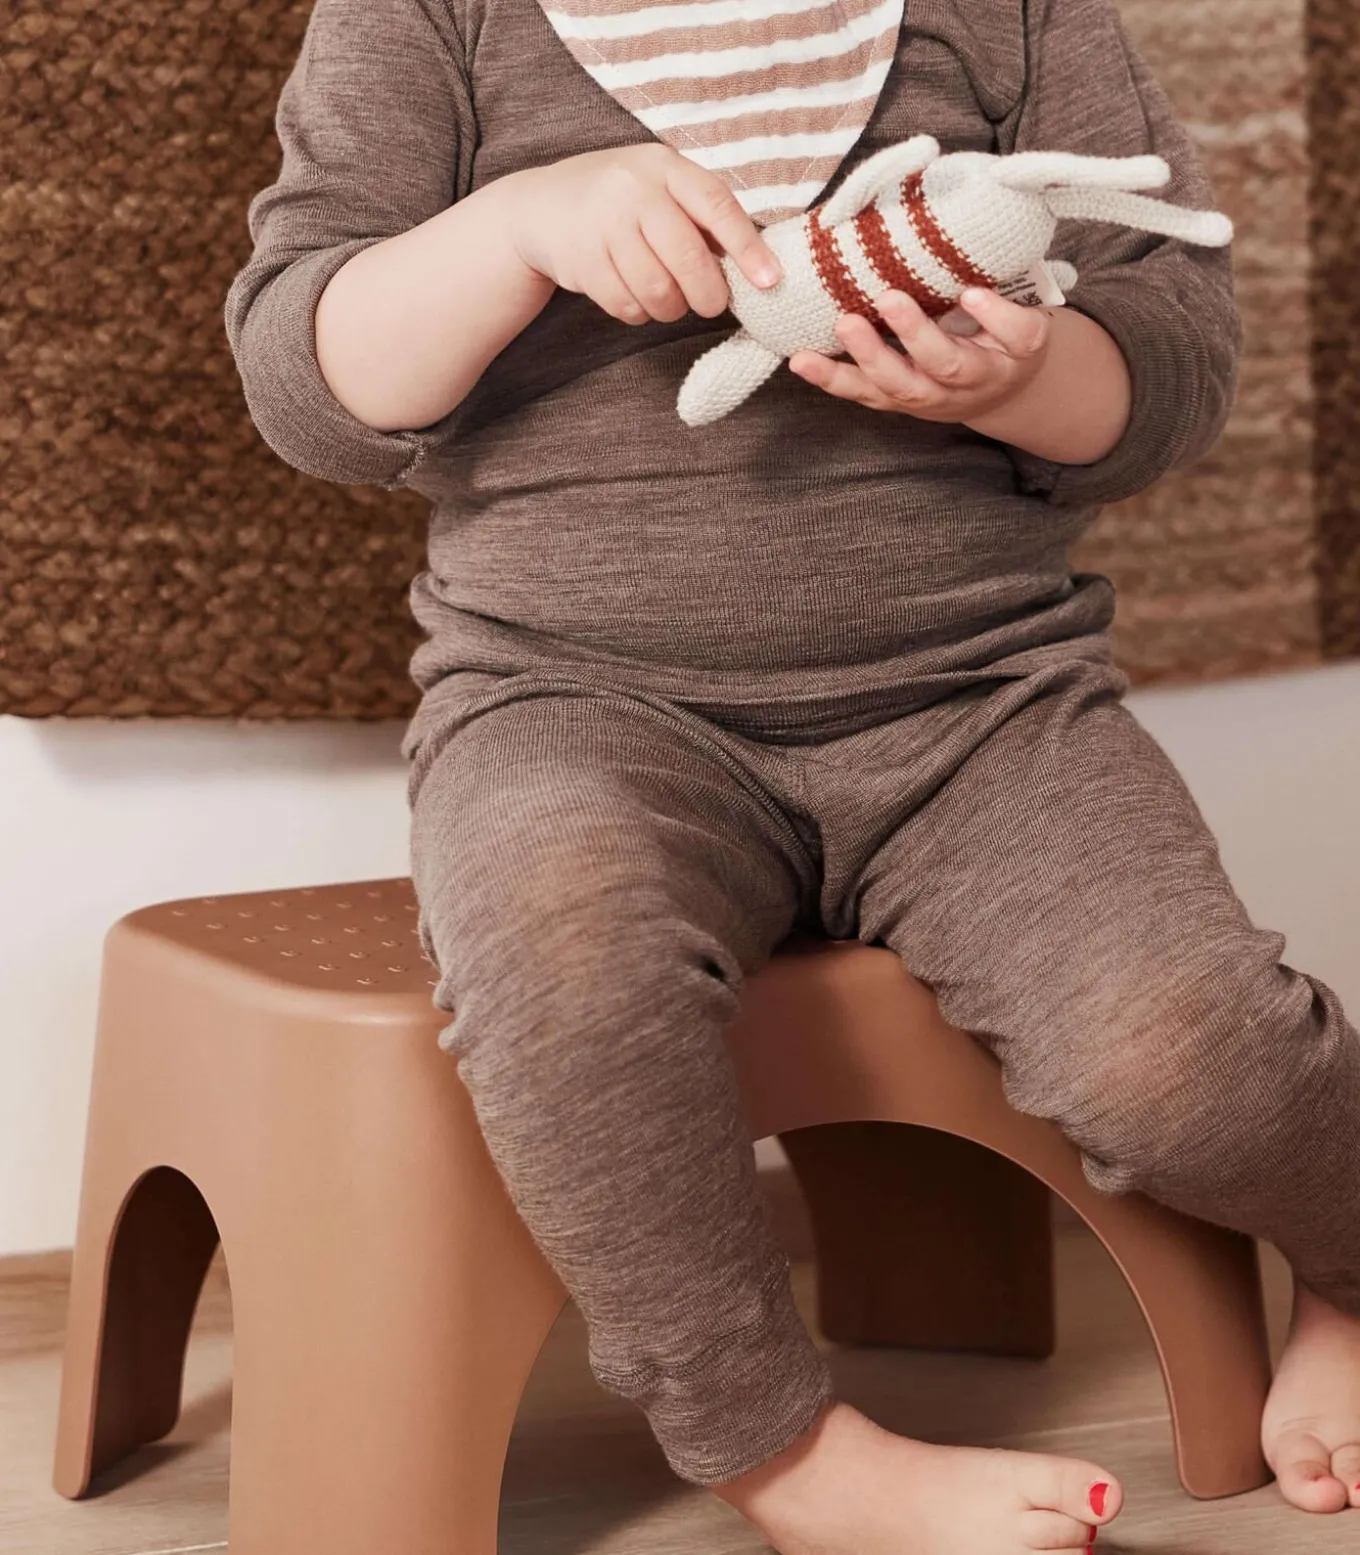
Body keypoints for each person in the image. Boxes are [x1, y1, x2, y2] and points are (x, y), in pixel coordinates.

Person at [226, 0, 1360, 1546]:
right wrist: (512, 229)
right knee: (567, 970)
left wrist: (1020, 377)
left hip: (980, 704)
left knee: (1188, 1047)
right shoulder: (430, 17)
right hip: (574, 702)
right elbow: (306, 383)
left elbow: (1173, 349)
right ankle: (781, 1449)